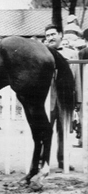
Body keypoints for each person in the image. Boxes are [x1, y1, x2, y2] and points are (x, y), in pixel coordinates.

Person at [45, 24, 82, 170]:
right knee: (45, 130)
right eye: (47, 35)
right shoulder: (42, 53)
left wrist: (78, 99)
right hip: (48, 99)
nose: (50, 38)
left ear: (61, 35)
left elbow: (77, 76)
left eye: (53, 34)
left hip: (65, 98)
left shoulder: (72, 54)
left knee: (64, 130)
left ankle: (62, 160)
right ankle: (44, 160)